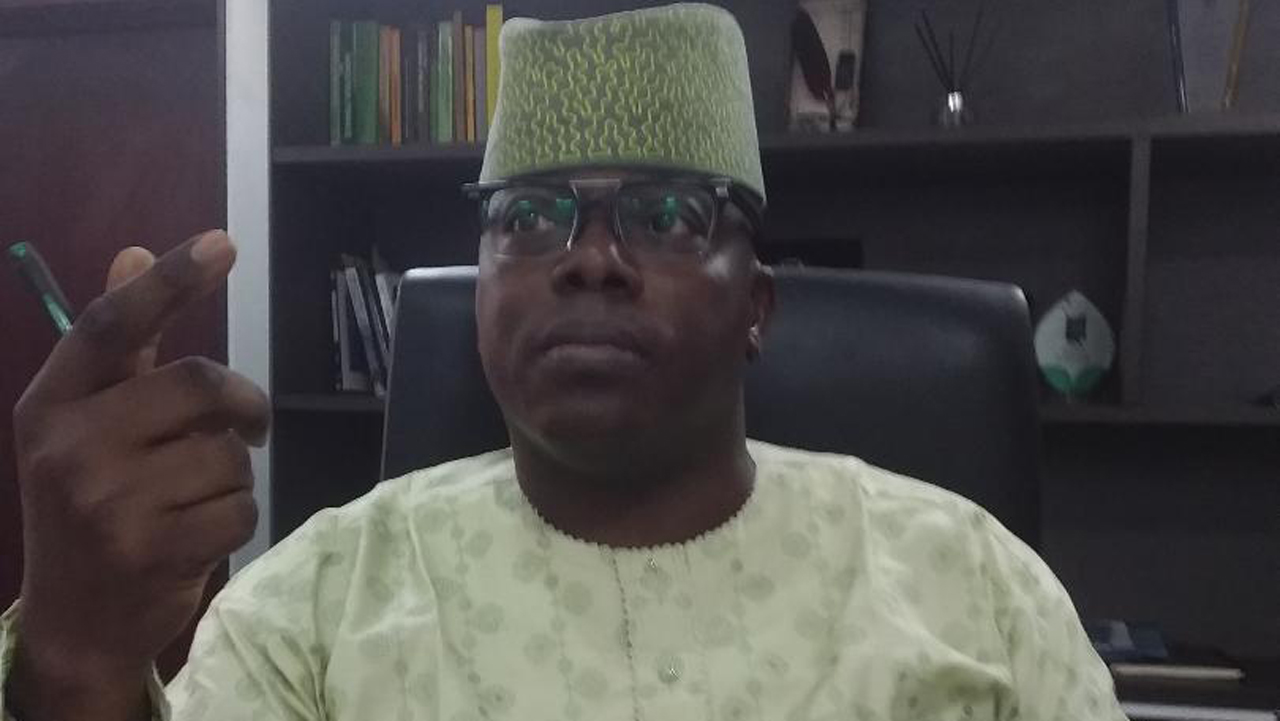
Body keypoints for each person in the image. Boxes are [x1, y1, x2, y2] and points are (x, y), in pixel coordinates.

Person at [1, 4, 1127, 720]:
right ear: (479, 292)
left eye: (668, 214)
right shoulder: (313, 607)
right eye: (530, 215)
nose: (589, 259)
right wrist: (75, 663)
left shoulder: (974, 587)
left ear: (757, 305)